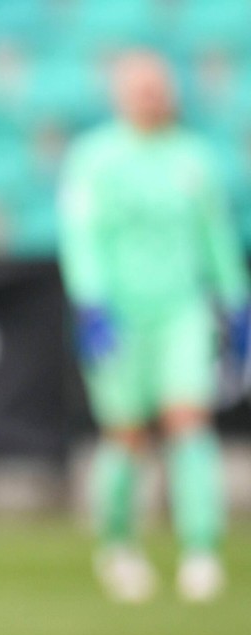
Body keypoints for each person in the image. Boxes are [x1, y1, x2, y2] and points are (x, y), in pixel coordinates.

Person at [58, 49, 250, 603]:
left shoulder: (194, 158)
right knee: (126, 434)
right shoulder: (95, 158)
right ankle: (117, 543)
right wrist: (91, 304)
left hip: (181, 310)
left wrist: (236, 300)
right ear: (120, 94)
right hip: (120, 311)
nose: (151, 96)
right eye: (140, 87)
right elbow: (82, 238)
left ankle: (201, 549)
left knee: (190, 422)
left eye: (158, 86)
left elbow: (215, 236)